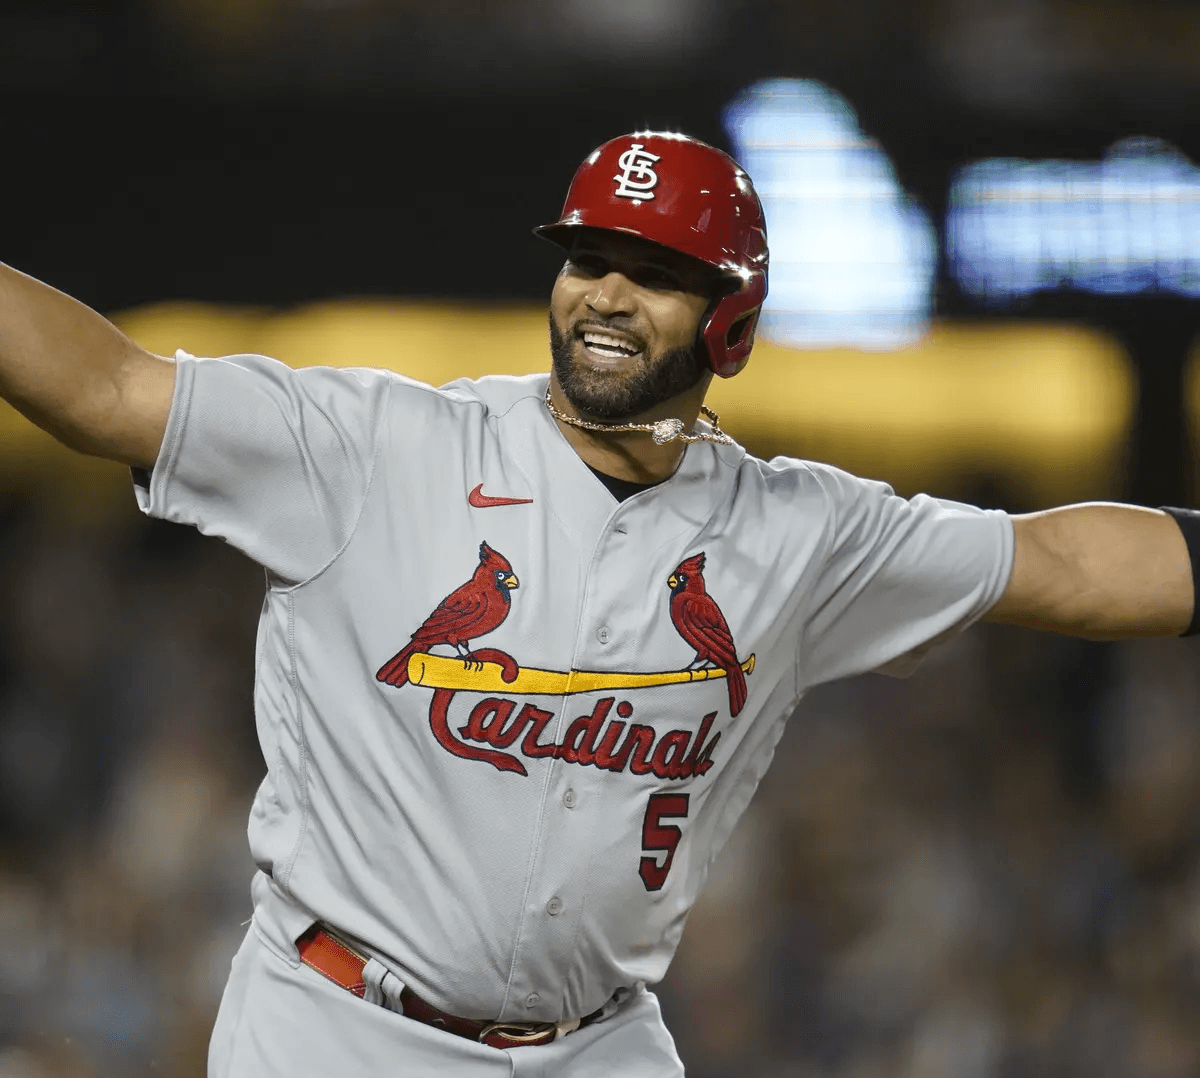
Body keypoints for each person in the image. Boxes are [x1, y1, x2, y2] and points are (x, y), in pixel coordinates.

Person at [0, 131, 1195, 1078]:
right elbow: (108, 388)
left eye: (658, 273)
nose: (608, 296)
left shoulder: (799, 532)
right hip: (335, 1027)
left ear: (732, 321)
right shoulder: (377, 450)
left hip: (598, 1042)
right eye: (588, 259)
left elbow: (1064, 566)